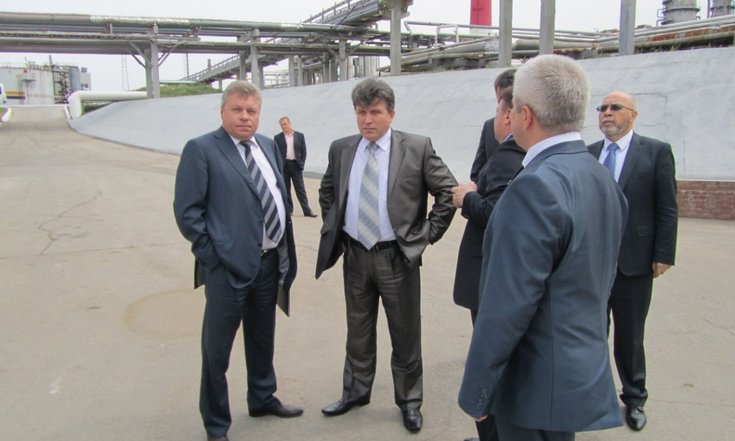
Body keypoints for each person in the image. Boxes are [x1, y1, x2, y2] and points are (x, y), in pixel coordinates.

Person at [458, 54, 628, 441]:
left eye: (511, 108)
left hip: (532, 383)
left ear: (526, 115)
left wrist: (478, 392)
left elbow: (506, 307)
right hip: (574, 374)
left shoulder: (535, 186)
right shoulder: (599, 174)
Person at [315, 77, 457, 433]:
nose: (367, 120)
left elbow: (447, 192)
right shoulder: (342, 149)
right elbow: (328, 190)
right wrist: (336, 227)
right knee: (358, 331)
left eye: (375, 112)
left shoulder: (417, 147)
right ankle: (355, 392)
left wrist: (424, 236)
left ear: (391, 113)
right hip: (356, 255)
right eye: (361, 112)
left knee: (405, 334)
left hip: (397, 257)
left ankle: (409, 401)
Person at [173, 81, 303, 441]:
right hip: (227, 270)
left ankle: (262, 398)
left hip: (267, 264)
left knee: (262, 338)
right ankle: (216, 425)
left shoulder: (268, 146)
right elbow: (188, 213)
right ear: (223, 111)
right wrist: (213, 257)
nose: (245, 116)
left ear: (259, 114)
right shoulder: (201, 149)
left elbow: (276, 195)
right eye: (237, 109)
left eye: (251, 111)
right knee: (216, 353)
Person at [588, 91, 678, 432]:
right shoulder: (589, 154)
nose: (607, 113)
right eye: (602, 108)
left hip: (634, 263)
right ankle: (594, 395)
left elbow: (667, 207)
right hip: (592, 264)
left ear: (633, 115)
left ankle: (635, 397)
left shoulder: (655, 152)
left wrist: (663, 253)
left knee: (630, 336)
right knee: (591, 332)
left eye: (615, 108)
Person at [451, 78, 525, 441]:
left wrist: (466, 198)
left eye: (498, 109)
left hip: (490, 274)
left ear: (510, 114)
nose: (495, 116)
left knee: (491, 360)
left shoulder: (509, 158)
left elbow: (496, 215)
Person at [469, 69, 517, 183]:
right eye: (499, 101)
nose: (501, 105)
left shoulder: (537, 129)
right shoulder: (490, 127)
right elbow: (476, 173)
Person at [274, 116, 318, 217]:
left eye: (285, 124)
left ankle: (307, 210)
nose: (283, 126)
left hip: (296, 165)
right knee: (286, 189)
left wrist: (301, 164)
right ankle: (289, 210)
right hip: (284, 166)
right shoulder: (278, 138)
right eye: (282, 125)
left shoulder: (299, 136)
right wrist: (279, 166)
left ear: (289, 123)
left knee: (300, 189)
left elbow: (304, 151)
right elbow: (276, 152)